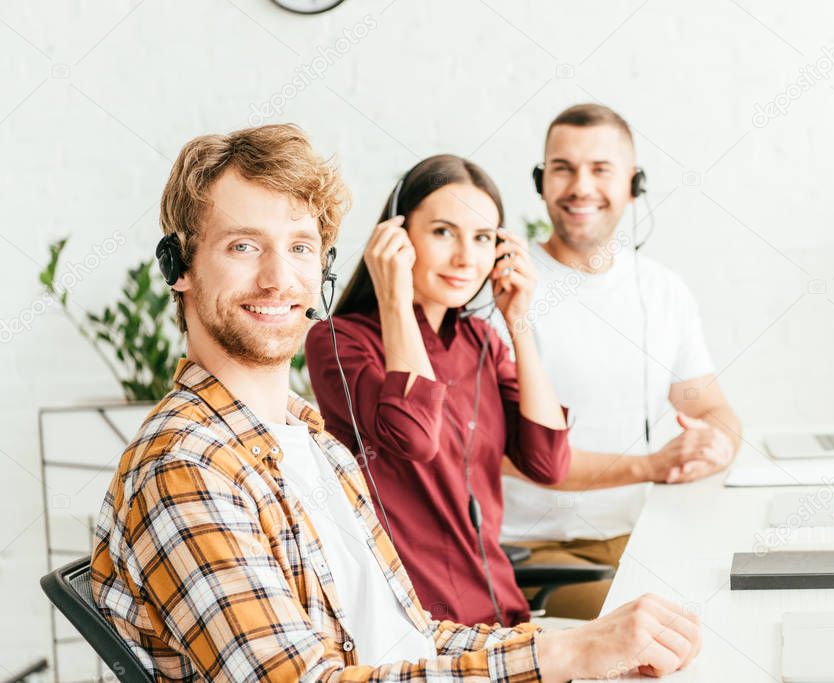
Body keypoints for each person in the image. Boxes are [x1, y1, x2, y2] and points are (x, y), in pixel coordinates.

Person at [90, 124, 703, 681]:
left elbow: (410, 636)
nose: (280, 278)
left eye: (301, 247)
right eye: (243, 246)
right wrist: (561, 655)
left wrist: (569, 653)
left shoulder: (313, 442)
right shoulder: (185, 467)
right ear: (178, 266)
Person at [498, 104, 743, 619]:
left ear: (635, 184)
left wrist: (715, 443)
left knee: (738, 611)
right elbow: (499, 452)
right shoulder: (506, 290)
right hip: (536, 555)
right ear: (541, 182)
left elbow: (713, 408)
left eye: (601, 169)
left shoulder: (661, 290)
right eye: (562, 168)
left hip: (643, 536)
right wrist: (654, 466)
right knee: (664, 644)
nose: (580, 186)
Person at [305, 155, 570, 627]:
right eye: (444, 232)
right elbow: (414, 435)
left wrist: (519, 321)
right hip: (415, 629)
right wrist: (394, 295)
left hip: (504, 616)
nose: (467, 257)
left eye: (483, 238)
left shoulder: (484, 343)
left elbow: (548, 463)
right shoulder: (338, 342)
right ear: (397, 239)